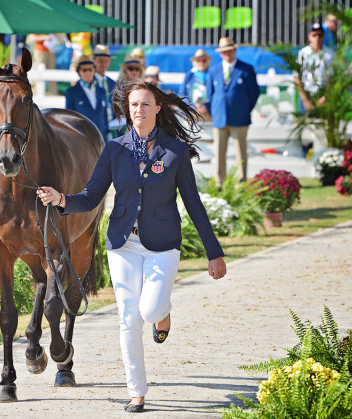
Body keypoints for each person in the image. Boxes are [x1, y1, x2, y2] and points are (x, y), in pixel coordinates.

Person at [37, 79, 227, 413]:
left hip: (163, 244)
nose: (138, 110)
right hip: (122, 244)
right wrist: (62, 199)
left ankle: (163, 313)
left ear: (158, 108)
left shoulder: (175, 151)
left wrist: (214, 252)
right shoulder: (115, 149)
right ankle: (137, 392)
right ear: (128, 110)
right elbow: (93, 196)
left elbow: (194, 204)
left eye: (145, 104)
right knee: (128, 319)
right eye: (133, 105)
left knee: (150, 310)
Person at [205, 37, 259, 187]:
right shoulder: (214, 70)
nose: (227, 54)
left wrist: (244, 109)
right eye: (224, 52)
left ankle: (241, 183)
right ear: (220, 54)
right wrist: (214, 113)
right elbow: (209, 95)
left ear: (235, 50)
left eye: (229, 50)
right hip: (219, 119)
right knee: (219, 153)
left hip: (239, 119)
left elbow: (253, 93)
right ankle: (219, 183)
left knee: (240, 153)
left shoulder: (246, 69)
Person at [64, 55, 109, 139]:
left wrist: (107, 133)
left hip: (101, 139)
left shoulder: (101, 91)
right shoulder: (71, 92)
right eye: (84, 70)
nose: (88, 72)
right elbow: (69, 118)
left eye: (90, 69)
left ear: (94, 70)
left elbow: (104, 117)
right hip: (82, 139)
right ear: (79, 72)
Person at [296, 23, 334, 114]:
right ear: (309, 37)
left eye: (319, 35)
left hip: (323, 95)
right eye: (314, 35)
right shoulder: (304, 53)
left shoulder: (329, 54)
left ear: (323, 37)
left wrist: (325, 97)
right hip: (307, 94)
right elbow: (297, 77)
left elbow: (332, 78)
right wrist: (305, 99)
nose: (317, 38)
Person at [178, 49, 212, 121]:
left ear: (207, 62)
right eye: (199, 61)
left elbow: (216, 95)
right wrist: (193, 106)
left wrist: (206, 107)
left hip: (208, 114)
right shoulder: (189, 76)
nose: (201, 63)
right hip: (191, 113)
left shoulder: (212, 75)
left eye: (204, 60)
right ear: (195, 62)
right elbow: (181, 95)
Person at [93, 44, 116, 122]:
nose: (103, 63)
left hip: (111, 123)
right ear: (94, 61)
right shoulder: (88, 82)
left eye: (106, 61)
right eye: (100, 61)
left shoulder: (112, 82)